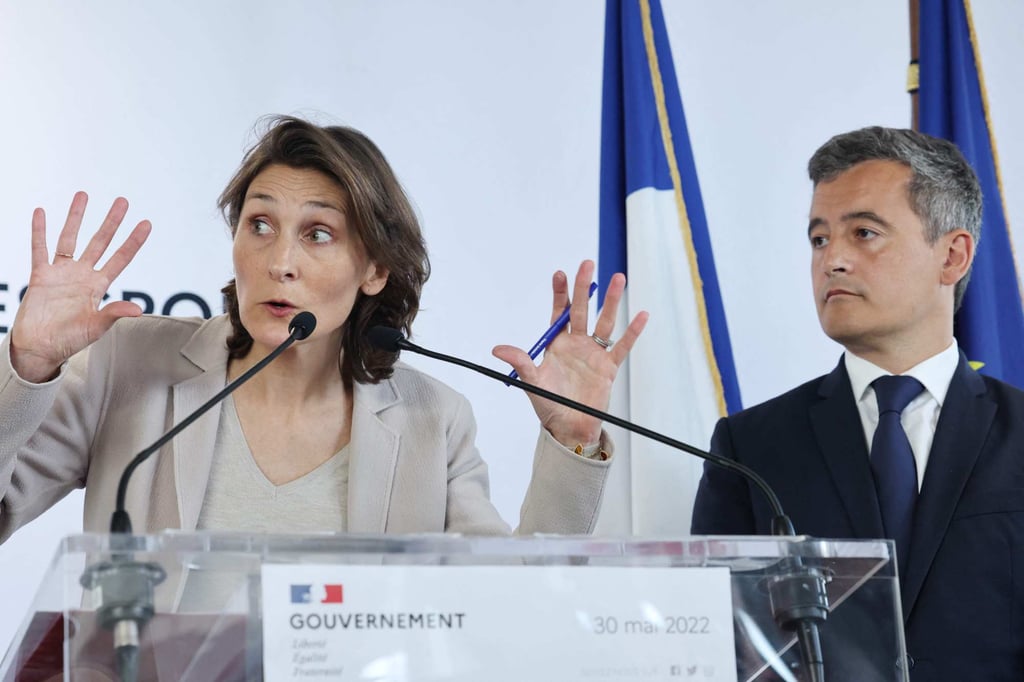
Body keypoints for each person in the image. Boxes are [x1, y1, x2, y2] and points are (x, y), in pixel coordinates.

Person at [0, 115, 648, 542]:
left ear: (373, 270)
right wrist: (26, 367)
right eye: (259, 225)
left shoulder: (434, 420)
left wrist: (570, 443)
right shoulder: (129, 366)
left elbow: (507, 611)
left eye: (318, 234)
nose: (280, 262)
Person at [691, 126, 1024, 680]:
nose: (832, 261)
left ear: (953, 255)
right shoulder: (750, 447)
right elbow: (720, 644)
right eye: (819, 239)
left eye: (864, 233)